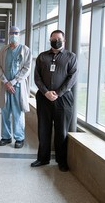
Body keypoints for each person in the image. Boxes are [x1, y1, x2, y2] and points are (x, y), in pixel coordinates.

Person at [31, 29, 77, 172]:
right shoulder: (42, 57)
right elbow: (37, 77)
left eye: (58, 39)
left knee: (61, 131)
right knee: (43, 129)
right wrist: (46, 92)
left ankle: (61, 161)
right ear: (50, 40)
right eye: (53, 38)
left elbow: (72, 77)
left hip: (63, 99)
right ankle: (42, 158)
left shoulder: (71, 57)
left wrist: (57, 93)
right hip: (44, 98)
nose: (55, 41)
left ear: (64, 41)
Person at [0, 26, 32, 149]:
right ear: (8, 34)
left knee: (18, 112)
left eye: (16, 33)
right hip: (5, 85)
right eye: (12, 32)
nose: (14, 35)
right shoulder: (3, 50)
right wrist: (6, 82)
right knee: (5, 111)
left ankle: (19, 138)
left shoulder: (25, 50)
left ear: (19, 34)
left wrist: (14, 81)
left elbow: (27, 68)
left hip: (18, 86)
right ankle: (6, 137)